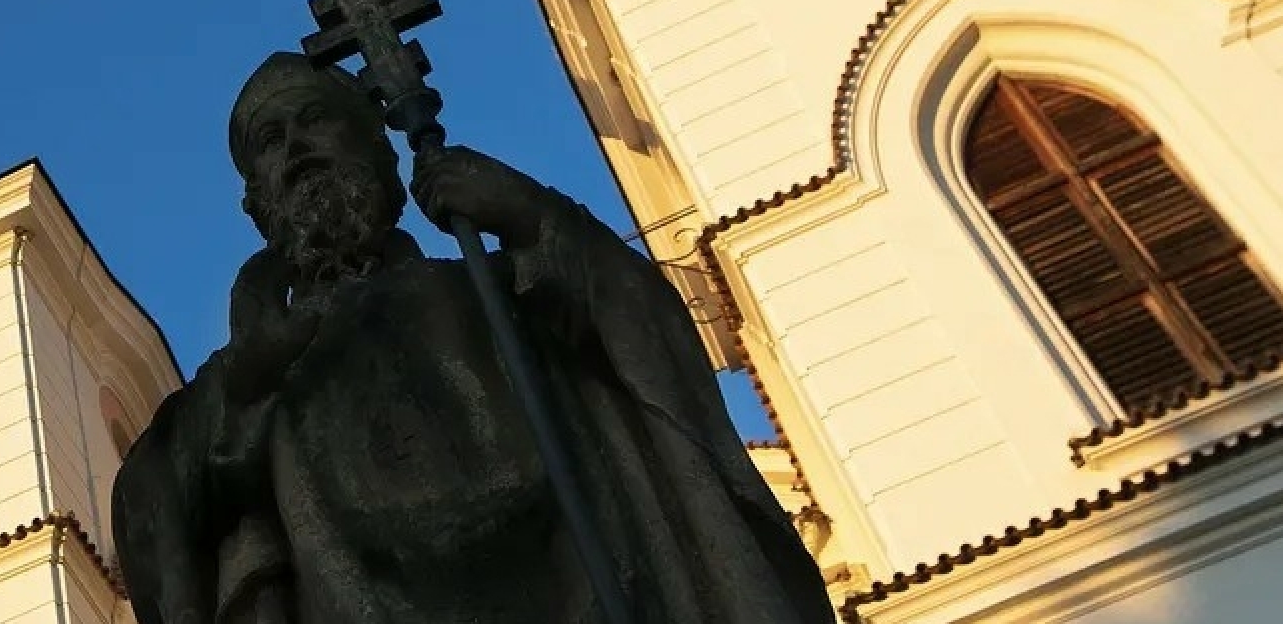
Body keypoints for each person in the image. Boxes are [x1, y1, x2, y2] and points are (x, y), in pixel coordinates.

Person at [112, 52, 834, 624]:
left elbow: (647, 332)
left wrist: (532, 214)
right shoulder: (237, 377)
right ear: (254, 201)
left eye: (317, 121)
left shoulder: (501, 288)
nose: (298, 149)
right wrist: (247, 388)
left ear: (379, 152)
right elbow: (148, 516)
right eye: (272, 142)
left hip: (587, 579)